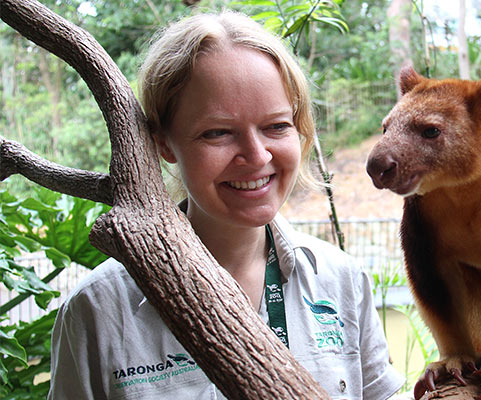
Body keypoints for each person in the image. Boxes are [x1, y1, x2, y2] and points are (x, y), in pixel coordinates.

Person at [47, 11, 404, 400]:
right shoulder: (99, 309)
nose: (255, 155)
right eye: (217, 133)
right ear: (165, 142)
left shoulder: (341, 281)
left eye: (277, 126)